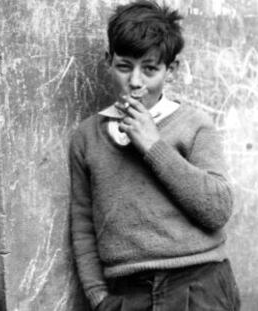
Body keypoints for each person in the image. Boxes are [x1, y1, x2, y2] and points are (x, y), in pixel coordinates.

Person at [69, 1, 240, 310]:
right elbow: (83, 225)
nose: (135, 81)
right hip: (127, 293)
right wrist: (98, 298)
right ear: (109, 61)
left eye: (150, 68)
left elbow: (218, 209)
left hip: (198, 285)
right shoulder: (87, 137)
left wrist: (153, 145)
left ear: (170, 70)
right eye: (124, 66)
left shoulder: (194, 125)